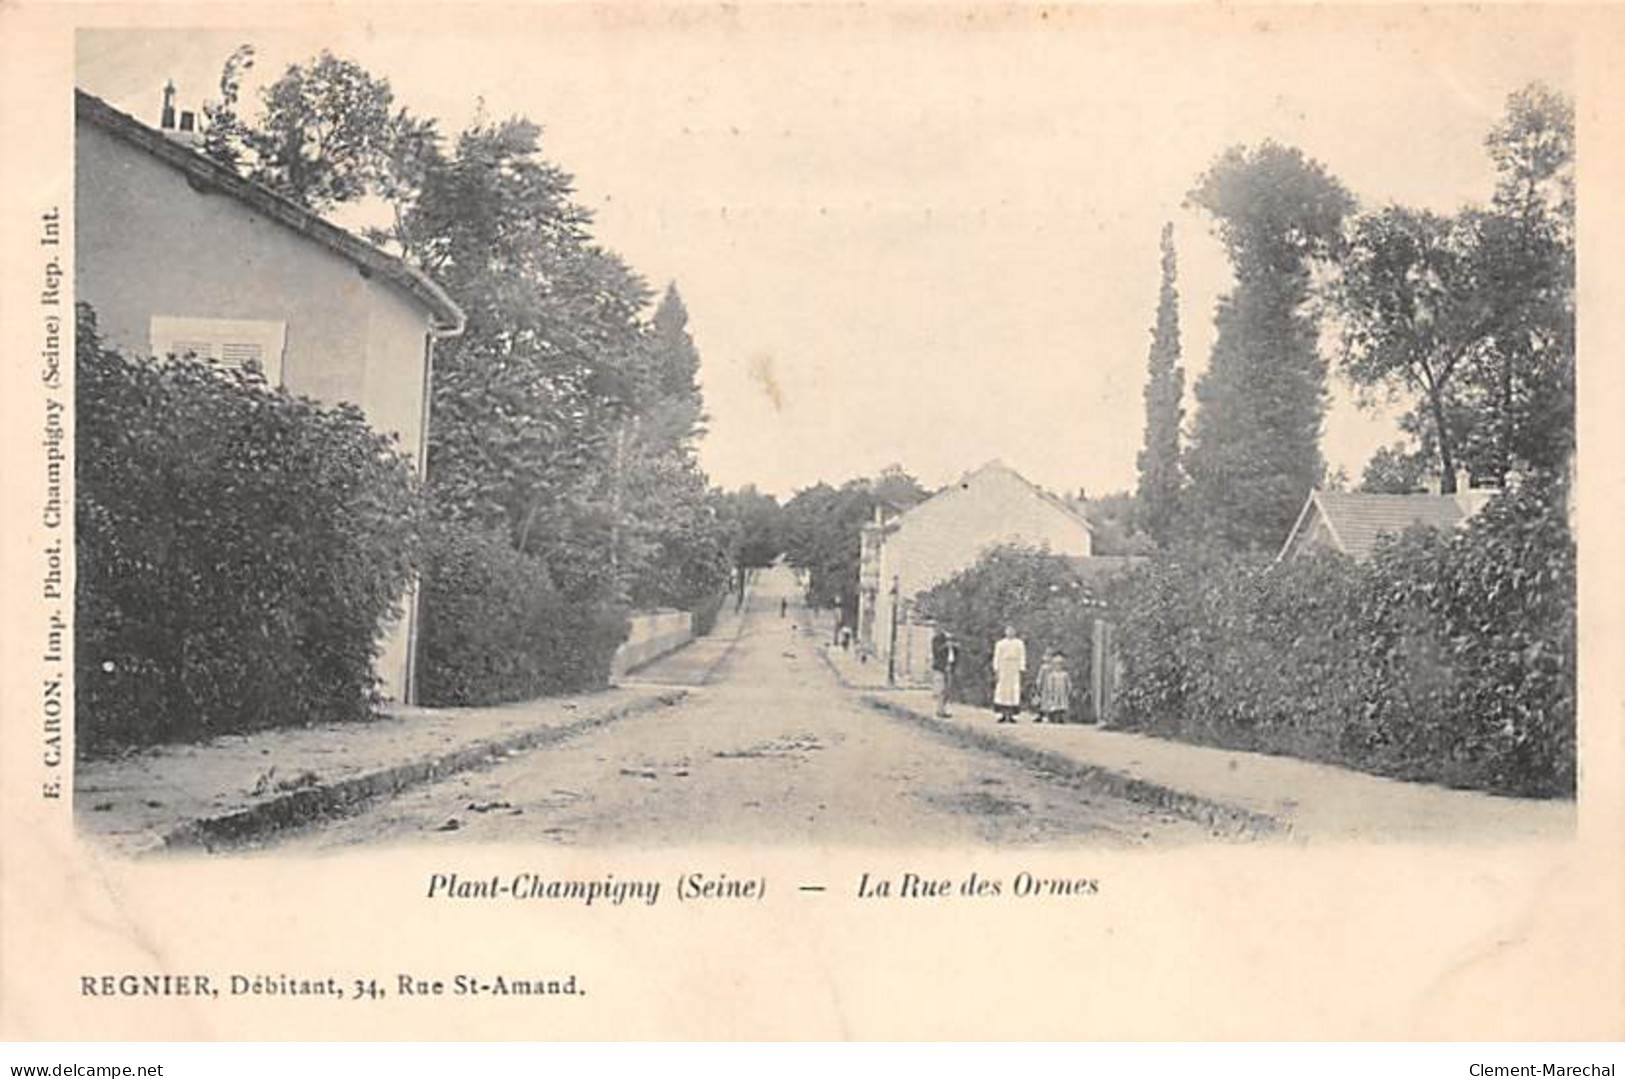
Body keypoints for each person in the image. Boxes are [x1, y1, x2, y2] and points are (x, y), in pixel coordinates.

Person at [991, 625, 1026, 724]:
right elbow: (997, 657)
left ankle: (1012, 715)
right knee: (1002, 691)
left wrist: (1021, 668)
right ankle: (1002, 714)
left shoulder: (1019, 643)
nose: (1010, 633)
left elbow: (1022, 656)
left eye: (1012, 631)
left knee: (1013, 691)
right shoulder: (1000, 643)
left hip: (1014, 668)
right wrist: (996, 669)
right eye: (1008, 631)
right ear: (1005, 632)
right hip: (1004, 667)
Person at [1039, 650, 1074, 725]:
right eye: (1056, 665)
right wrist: (1050, 691)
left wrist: (1069, 689)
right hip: (1055, 692)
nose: (1058, 667)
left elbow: (1068, 683)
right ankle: (1054, 717)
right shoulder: (1052, 675)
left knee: (1062, 705)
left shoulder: (1065, 674)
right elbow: (1049, 684)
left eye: (1060, 665)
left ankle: (1062, 718)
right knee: (1054, 705)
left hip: (1062, 692)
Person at [930, 628, 959, 718]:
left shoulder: (954, 639)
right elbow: (936, 651)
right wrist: (946, 646)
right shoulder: (937, 638)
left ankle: (945, 709)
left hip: (950, 666)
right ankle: (940, 710)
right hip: (940, 667)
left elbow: (957, 652)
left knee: (948, 690)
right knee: (941, 689)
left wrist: (955, 646)